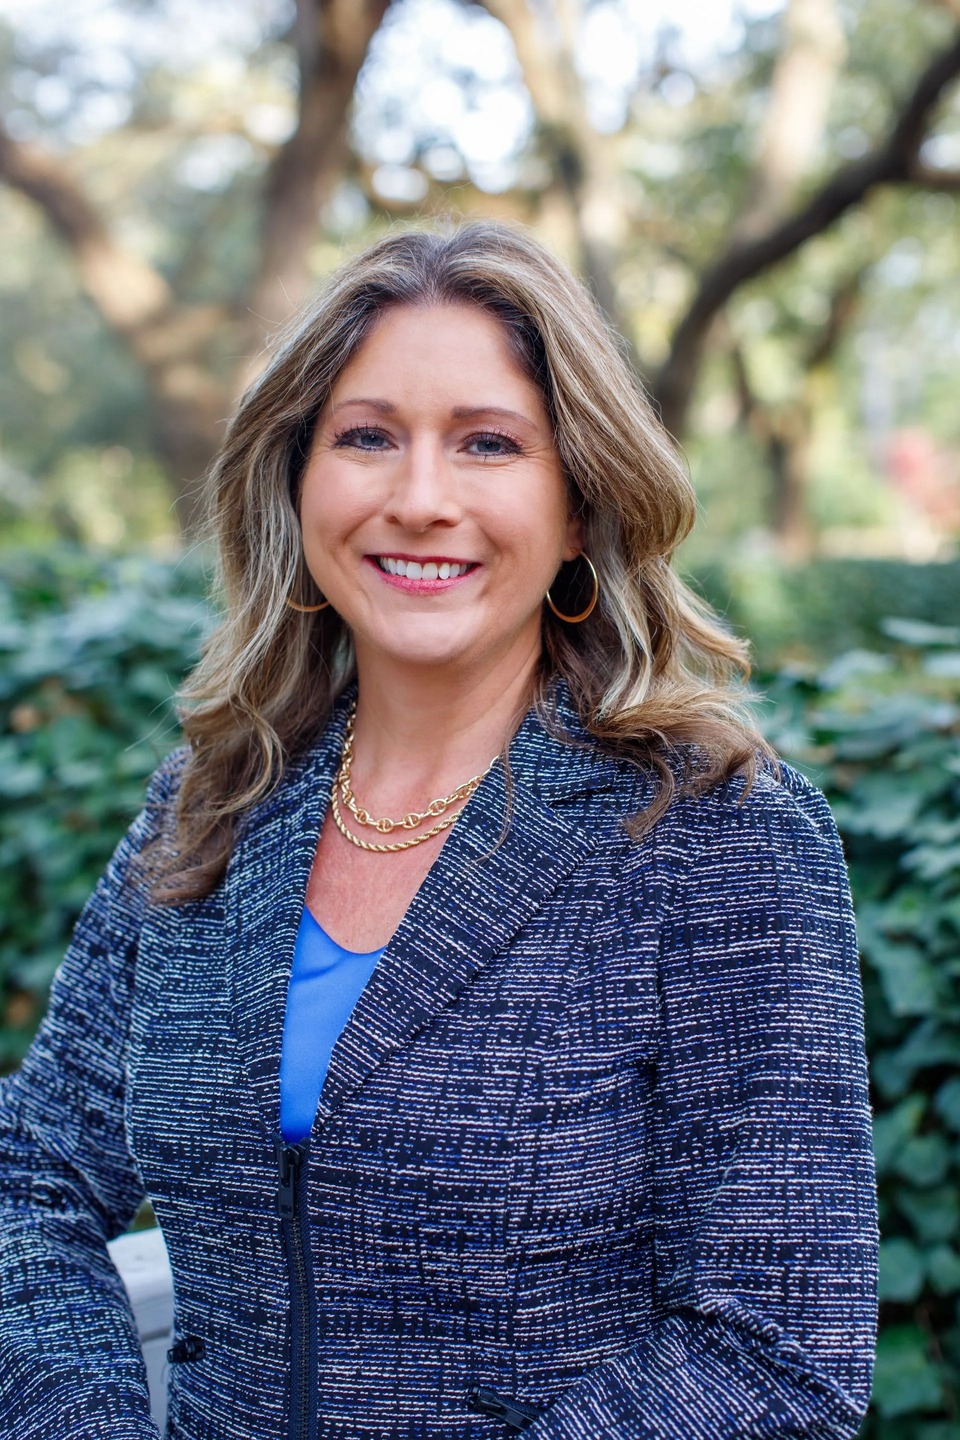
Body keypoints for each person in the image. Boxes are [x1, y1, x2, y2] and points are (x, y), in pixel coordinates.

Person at [0, 222, 877, 1440]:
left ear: (579, 508)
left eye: (488, 443)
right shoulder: (214, 804)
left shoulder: (717, 837)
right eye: (366, 437)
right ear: (296, 482)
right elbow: (30, 1172)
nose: (418, 500)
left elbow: (778, 1346)